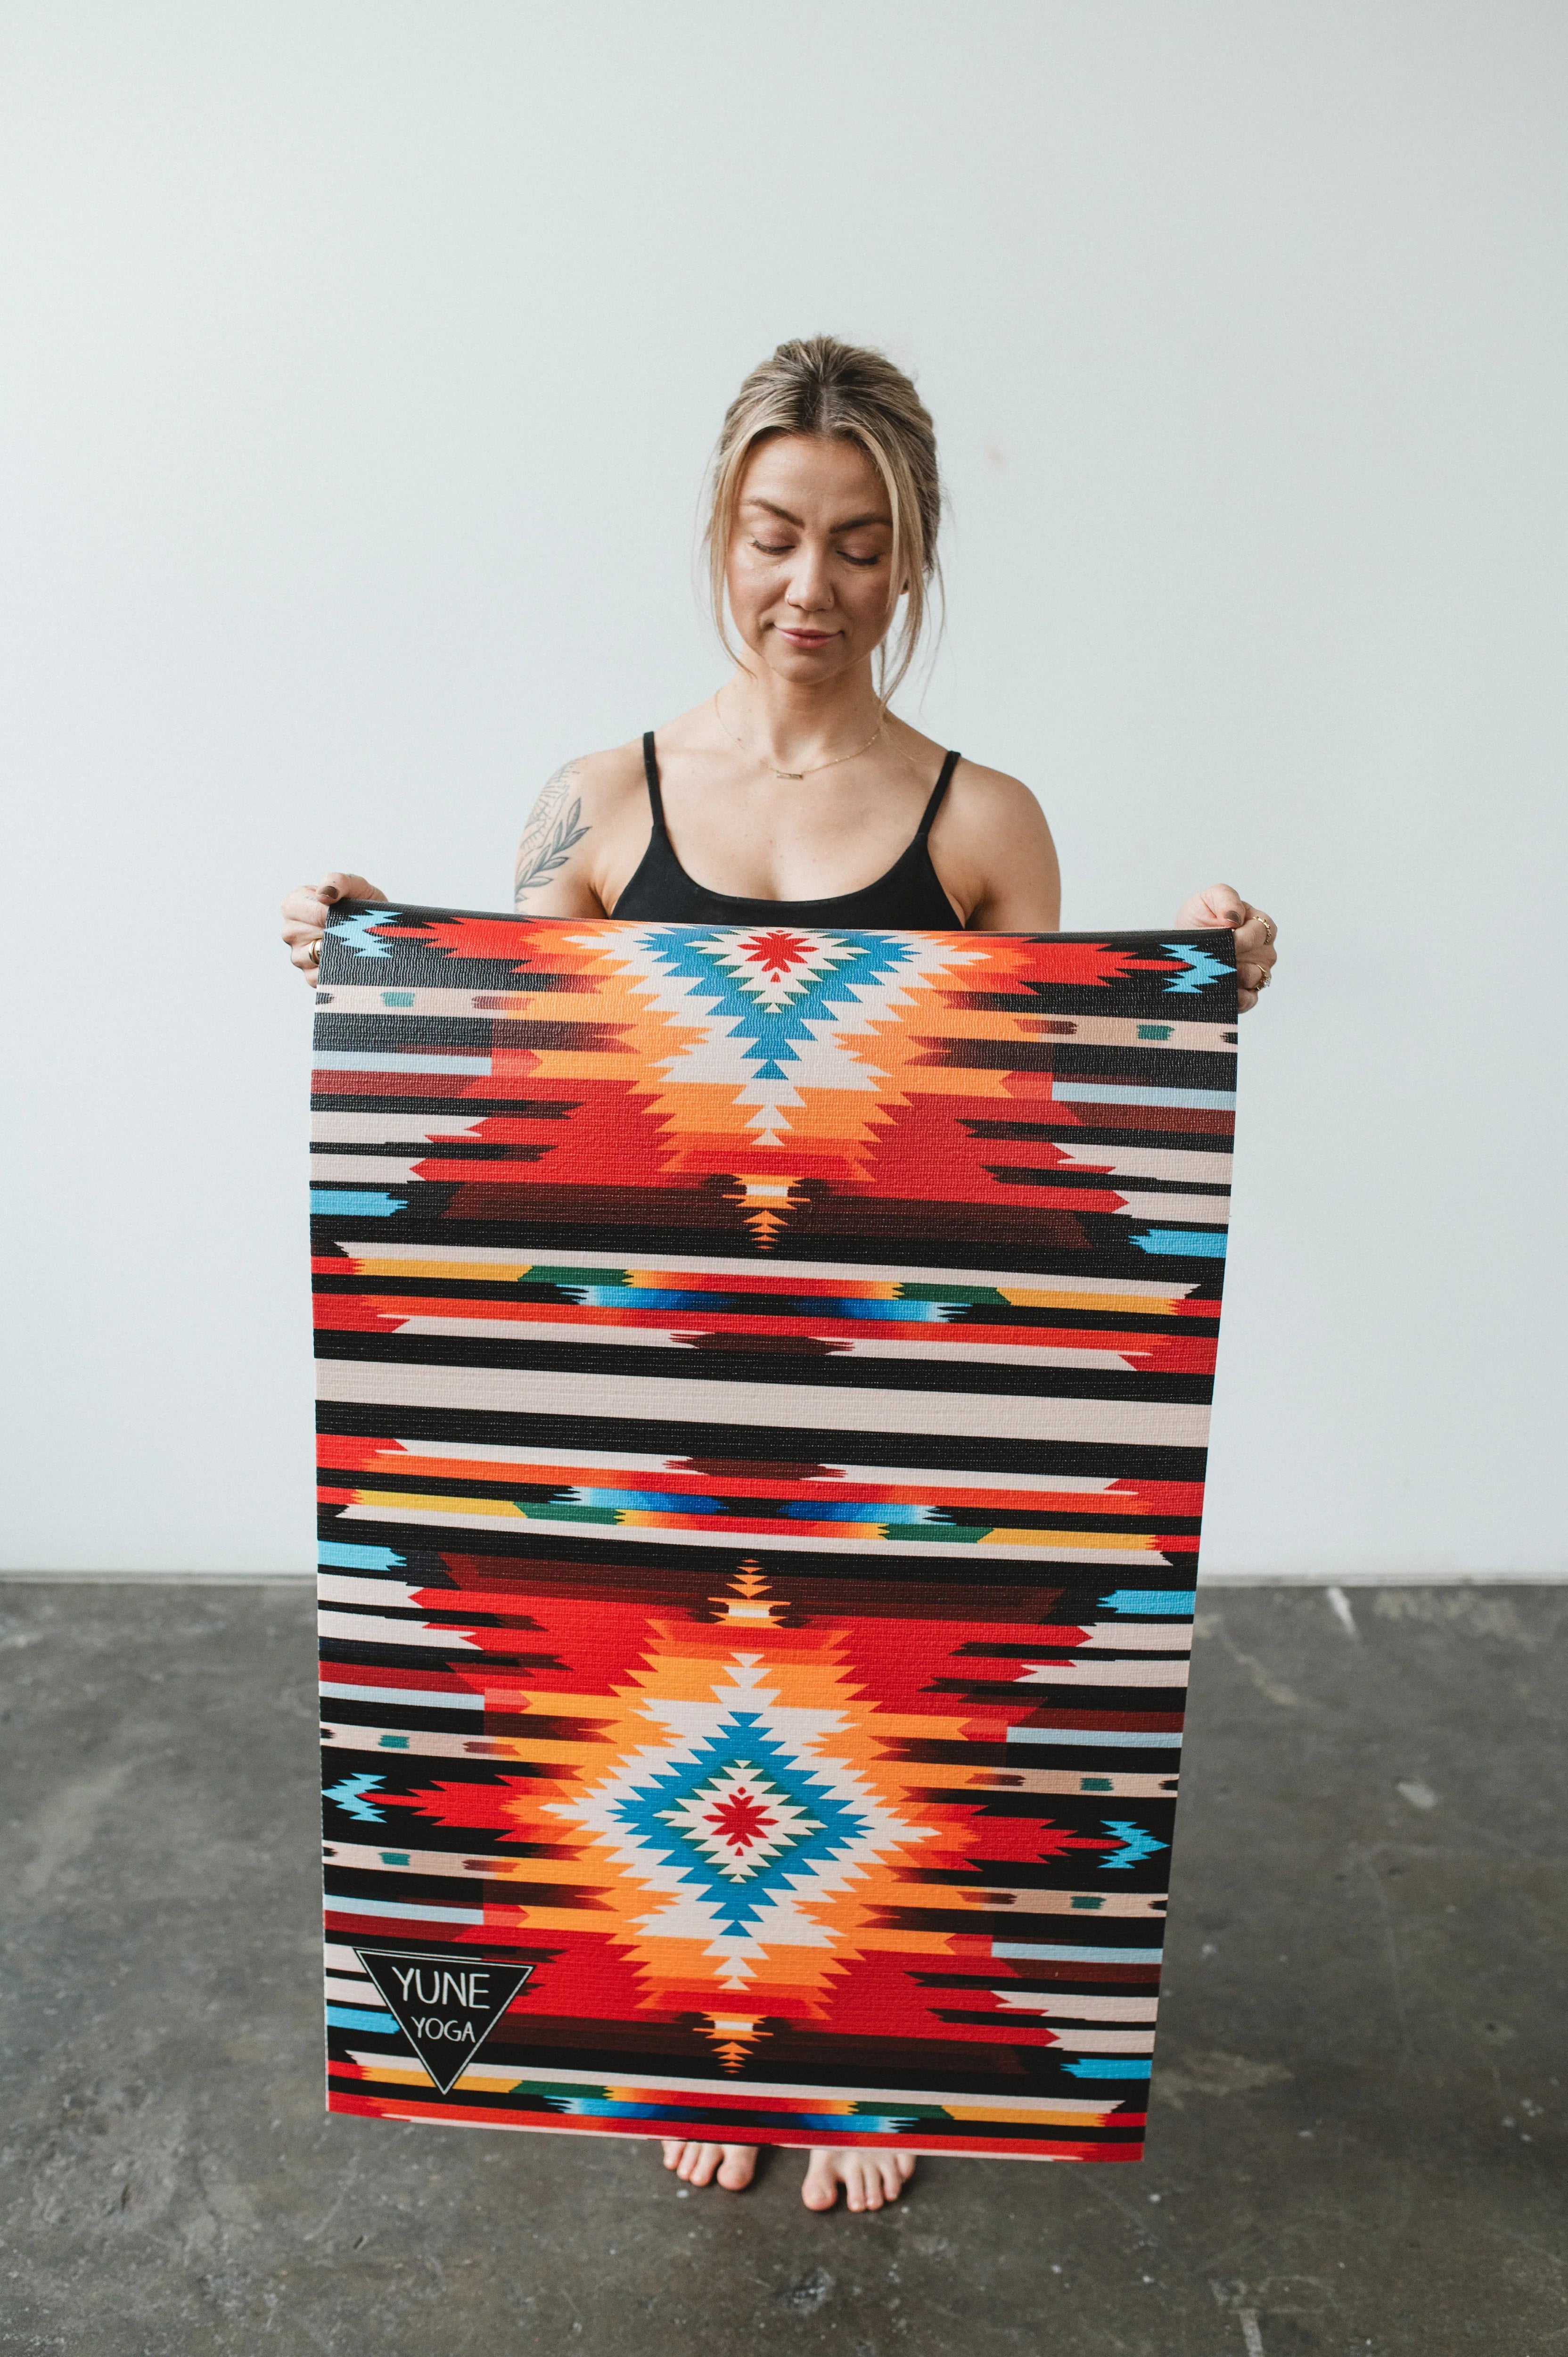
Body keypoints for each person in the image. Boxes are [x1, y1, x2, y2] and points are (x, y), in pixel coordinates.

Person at [282, 335, 1279, 2214]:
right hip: (657, 1404)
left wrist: (1203, 989)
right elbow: (514, 1085)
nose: (807, 588)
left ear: (910, 561)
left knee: (906, 1695)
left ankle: (869, 2048)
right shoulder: (601, 801)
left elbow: (1028, 1152)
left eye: (856, 543)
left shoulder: (982, 826)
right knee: (635, 1696)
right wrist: (363, 949)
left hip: (890, 1402)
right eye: (771, 536)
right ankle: (683, 2033)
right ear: (718, 536)